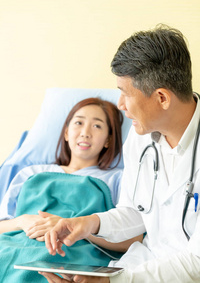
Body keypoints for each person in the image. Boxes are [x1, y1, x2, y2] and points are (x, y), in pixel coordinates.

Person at [43, 25, 200, 283]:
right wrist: (90, 223)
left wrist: (112, 282)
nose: (120, 104)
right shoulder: (141, 138)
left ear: (162, 98)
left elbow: (195, 262)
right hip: (143, 264)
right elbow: (136, 212)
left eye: (126, 93)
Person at [0, 97, 142, 283]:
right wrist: (22, 221)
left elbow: (134, 239)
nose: (85, 132)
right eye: (78, 123)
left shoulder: (117, 179)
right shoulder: (30, 173)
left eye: (97, 126)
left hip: (70, 258)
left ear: (108, 140)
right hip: (12, 249)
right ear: (66, 133)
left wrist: (75, 228)